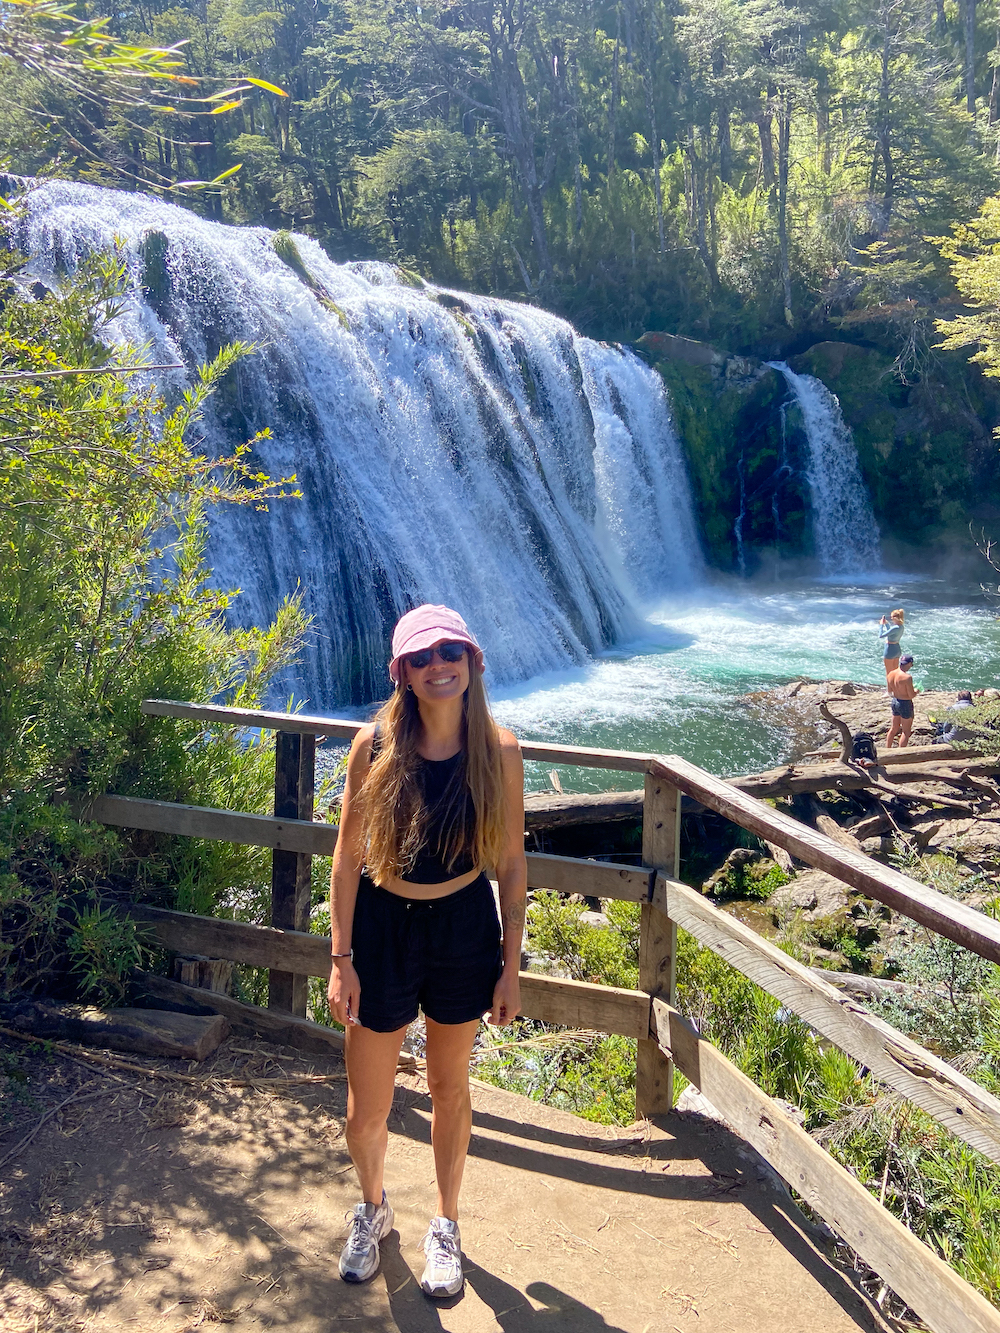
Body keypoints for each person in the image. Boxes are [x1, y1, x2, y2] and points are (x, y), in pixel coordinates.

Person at [327, 604, 526, 1299]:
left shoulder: (498, 749)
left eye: (451, 651)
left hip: (463, 928)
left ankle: (446, 1222)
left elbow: (510, 862)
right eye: (422, 656)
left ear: (473, 660)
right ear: (403, 673)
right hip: (383, 929)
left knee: (449, 1088)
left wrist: (511, 963)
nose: (438, 664)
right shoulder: (373, 745)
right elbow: (347, 859)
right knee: (364, 1111)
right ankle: (374, 1207)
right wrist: (340, 956)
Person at [886, 652, 919, 748]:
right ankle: (901, 752)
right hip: (905, 703)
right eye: (911, 664)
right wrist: (917, 690)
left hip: (895, 701)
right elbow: (911, 695)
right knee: (906, 731)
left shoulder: (891, 674)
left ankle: (887, 748)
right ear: (909, 663)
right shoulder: (907, 677)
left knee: (894, 728)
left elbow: (889, 691)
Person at [879, 608, 905, 681]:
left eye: (892, 617)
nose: (891, 618)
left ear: (896, 618)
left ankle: (889, 691)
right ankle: (896, 689)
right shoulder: (901, 627)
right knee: (895, 672)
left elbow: (881, 635)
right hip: (897, 649)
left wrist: (881, 625)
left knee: (889, 673)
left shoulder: (895, 627)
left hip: (890, 650)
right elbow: (891, 633)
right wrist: (886, 624)